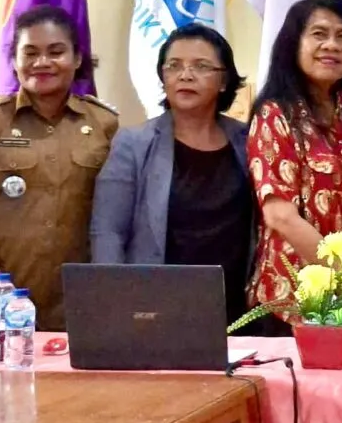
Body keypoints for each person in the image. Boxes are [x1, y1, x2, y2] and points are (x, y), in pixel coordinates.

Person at [0, 5, 118, 331]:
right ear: (13, 60)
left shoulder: (105, 124)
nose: (42, 63)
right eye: (30, 53)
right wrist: (1, 293)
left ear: (78, 59)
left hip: (77, 305)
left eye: (56, 52)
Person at [246, 0, 342, 332]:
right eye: (319, 34)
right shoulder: (275, 115)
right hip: (296, 300)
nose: (332, 45)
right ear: (293, 44)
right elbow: (279, 214)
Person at [89, 24, 256, 329]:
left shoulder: (248, 142)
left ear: (224, 81)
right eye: (174, 66)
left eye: (201, 66)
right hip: (152, 312)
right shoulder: (134, 144)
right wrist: (113, 303)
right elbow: (108, 232)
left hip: (235, 310)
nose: (185, 75)